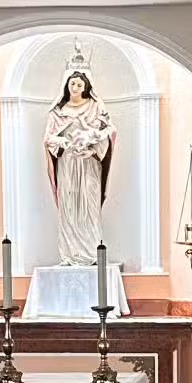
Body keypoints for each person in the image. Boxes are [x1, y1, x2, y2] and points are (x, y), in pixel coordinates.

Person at [43, 68, 115, 265]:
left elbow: (108, 132)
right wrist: (62, 142)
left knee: (89, 206)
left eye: (79, 84)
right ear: (66, 85)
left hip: (89, 163)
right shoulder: (57, 111)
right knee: (68, 206)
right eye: (72, 83)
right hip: (67, 163)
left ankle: (92, 253)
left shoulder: (95, 106)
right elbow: (48, 138)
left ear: (86, 87)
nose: (75, 87)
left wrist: (91, 149)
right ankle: (69, 254)